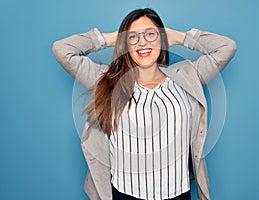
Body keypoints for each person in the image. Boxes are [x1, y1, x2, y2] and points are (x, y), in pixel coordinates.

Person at [52, 8, 236, 200]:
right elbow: (62, 50)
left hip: (177, 195)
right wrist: (117, 38)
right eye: (134, 37)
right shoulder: (106, 80)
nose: (143, 42)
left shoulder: (188, 76)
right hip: (125, 194)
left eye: (150, 34)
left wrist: (179, 37)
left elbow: (227, 48)